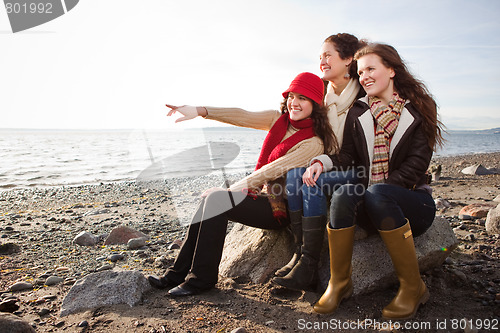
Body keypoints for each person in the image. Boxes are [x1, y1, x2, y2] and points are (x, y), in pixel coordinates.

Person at [148, 72, 335, 296]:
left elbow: (270, 170)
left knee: (217, 199)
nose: (294, 102)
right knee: (211, 200)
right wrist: (200, 111)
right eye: (292, 96)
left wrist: (230, 191)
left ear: (315, 103)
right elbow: (242, 115)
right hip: (266, 196)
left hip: (281, 209)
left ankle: (202, 280)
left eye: (302, 98)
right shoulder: (278, 120)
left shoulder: (313, 143)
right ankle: (176, 274)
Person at [311, 43, 444, 320]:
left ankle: (413, 287)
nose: (365, 76)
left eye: (371, 68)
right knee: (346, 192)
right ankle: (340, 283)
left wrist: (376, 194)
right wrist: (320, 163)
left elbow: (415, 166)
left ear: (392, 70)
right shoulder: (359, 111)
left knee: (377, 193)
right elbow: (347, 156)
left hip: (412, 203)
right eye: (360, 72)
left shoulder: (419, 108)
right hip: (375, 204)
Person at [272, 33, 367, 291]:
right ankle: (299, 252)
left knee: (313, 180)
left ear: (348, 60)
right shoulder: (321, 97)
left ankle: (310, 265)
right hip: (327, 162)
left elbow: (354, 154)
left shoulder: (362, 99)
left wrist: (321, 163)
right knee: (293, 175)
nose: (322, 61)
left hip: (355, 169)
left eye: (328, 55)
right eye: (320, 57)